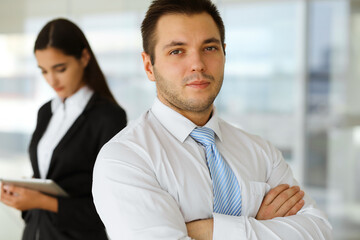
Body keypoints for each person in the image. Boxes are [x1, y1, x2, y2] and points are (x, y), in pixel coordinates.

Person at [92, 0, 332, 239]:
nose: (197, 64)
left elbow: (319, 231)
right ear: (149, 66)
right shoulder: (125, 158)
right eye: (177, 51)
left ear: (224, 54)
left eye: (209, 48)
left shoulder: (261, 151)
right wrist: (257, 224)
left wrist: (208, 230)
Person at [0, 18, 127, 240]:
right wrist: (24, 195)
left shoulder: (108, 116)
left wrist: (40, 201)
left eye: (60, 69)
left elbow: (111, 208)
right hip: (36, 233)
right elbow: (47, 176)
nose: (52, 80)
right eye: (43, 71)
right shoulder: (46, 112)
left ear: (84, 57)